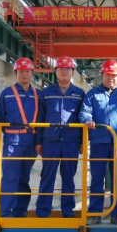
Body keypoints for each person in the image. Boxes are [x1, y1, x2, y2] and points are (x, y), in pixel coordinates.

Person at [80, 60, 117, 225]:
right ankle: (95, 213)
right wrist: (87, 120)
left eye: (114, 76)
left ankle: (116, 213)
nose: (111, 78)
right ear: (102, 75)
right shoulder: (92, 94)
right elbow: (85, 111)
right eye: (108, 75)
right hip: (98, 142)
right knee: (97, 178)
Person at [35, 56, 85, 218]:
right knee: (47, 176)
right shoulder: (46, 93)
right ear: (55, 71)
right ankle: (43, 211)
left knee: (69, 177)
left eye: (67, 69)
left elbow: (83, 118)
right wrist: (38, 141)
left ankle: (68, 211)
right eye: (61, 69)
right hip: (50, 141)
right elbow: (40, 117)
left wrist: (83, 142)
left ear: (72, 72)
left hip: (71, 142)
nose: (64, 72)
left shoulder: (79, 94)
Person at [0, 57, 41, 217]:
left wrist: (38, 142)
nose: (24, 74)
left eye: (27, 71)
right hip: (12, 143)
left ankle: (20, 212)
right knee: (10, 177)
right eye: (21, 71)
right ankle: (6, 214)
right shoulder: (7, 94)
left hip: (31, 143)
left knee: (24, 178)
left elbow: (42, 118)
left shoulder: (38, 95)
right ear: (16, 73)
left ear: (32, 73)